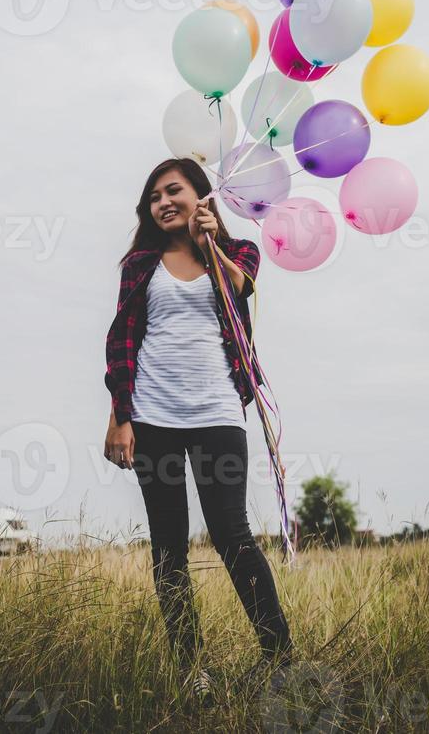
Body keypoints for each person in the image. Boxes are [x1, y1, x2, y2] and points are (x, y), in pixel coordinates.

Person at [103, 157, 294, 704]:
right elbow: (122, 342)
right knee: (168, 547)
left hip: (217, 415)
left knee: (232, 534)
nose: (163, 202)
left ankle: (278, 657)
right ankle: (193, 670)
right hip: (152, 418)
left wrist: (209, 243)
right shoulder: (140, 264)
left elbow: (241, 292)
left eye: (173, 191)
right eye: (154, 197)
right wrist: (119, 416)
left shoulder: (236, 253)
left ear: (201, 196)